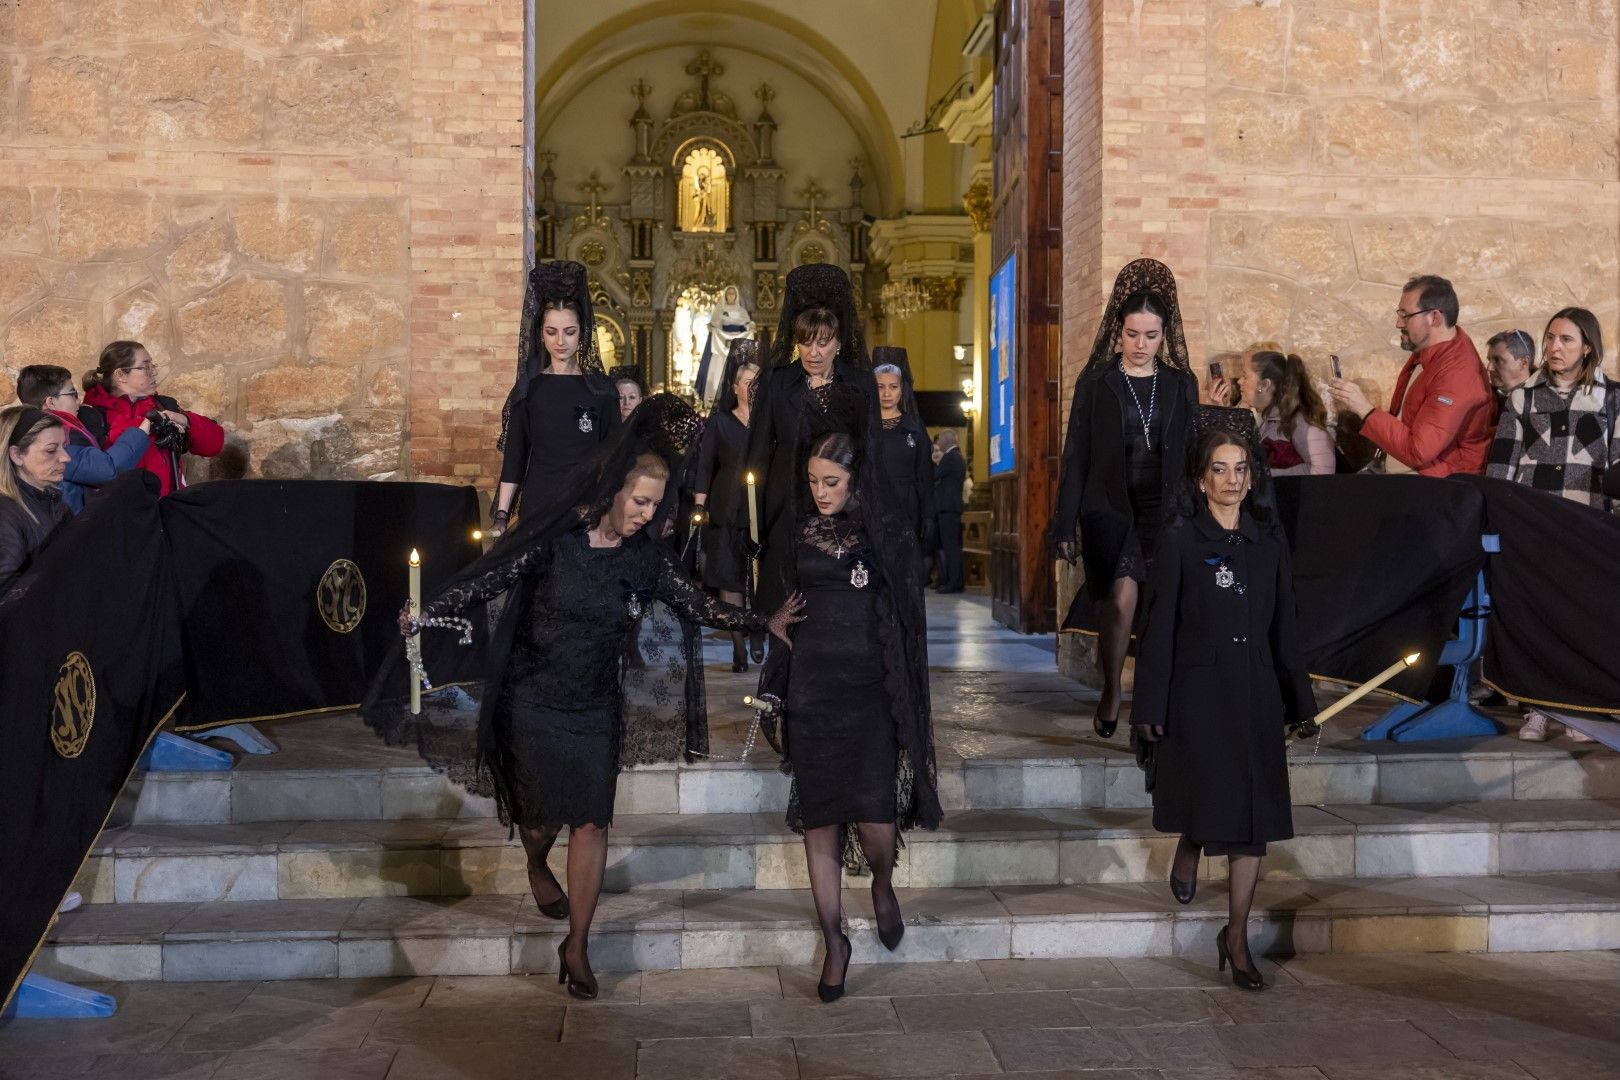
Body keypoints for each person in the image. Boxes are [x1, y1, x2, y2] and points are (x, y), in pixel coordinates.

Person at [366, 394, 802, 1000]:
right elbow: (489, 575)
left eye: (656, 504)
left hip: (595, 705)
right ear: (615, 490)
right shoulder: (559, 537)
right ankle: (536, 859)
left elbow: (700, 606)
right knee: (541, 820)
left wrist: (764, 622)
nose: (649, 514)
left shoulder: (646, 560)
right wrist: (427, 611)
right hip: (534, 698)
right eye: (641, 501)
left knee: (594, 821)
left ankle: (578, 944)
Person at [753, 383, 939, 1002]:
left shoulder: (885, 536)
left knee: (877, 819)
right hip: (813, 694)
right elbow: (783, 622)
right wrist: (773, 692)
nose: (820, 491)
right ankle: (835, 941)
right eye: (813, 480)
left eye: (831, 481)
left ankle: (883, 884)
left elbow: (908, 623)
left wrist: (903, 697)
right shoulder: (796, 537)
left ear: (855, 480)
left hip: (869, 694)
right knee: (820, 824)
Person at [1132, 424, 1318, 992]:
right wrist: (1149, 703)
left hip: (1256, 691)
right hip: (1199, 691)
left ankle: (1235, 936)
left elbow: (1284, 624)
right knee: (1210, 793)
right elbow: (1160, 627)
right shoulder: (1183, 537)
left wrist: (1299, 703)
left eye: (1242, 469)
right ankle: (1190, 841)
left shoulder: (1268, 537)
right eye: (1220, 469)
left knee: (1252, 820)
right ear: (1200, 477)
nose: (1232, 480)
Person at [1052, 258, 1200, 739]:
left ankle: (1155, 698)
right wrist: (1063, 524)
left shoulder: (1181, 385)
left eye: (1151, 336)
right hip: (1111, 508)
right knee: (1121, 598)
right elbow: (1075, 458)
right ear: (1118, 330)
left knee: (1165, 606)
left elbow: (1196, 450)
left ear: (1165, 333)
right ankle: (1113, 687)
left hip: (1169, 508)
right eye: (1132, 334)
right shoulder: (1096, 384)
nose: (1140, 345)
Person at [1486, 308, 1614, 744]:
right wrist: (1495, 519)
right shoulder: (1521, 397)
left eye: (1566, 340)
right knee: (1537, 619)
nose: (1554, 348)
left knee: (1582, 621)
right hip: (1534, 523)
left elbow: (1617, 466)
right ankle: (1537, 710)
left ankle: (1581, 712)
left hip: (1587, 526)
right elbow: (1501, 467)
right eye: (1550, 338)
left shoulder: (1612, 398)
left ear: (1588, 347)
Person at [744, 264, 876, 617]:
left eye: (823, 342)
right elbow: (757, 454)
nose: (813, 352)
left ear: (838, 342)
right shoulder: (776, 383)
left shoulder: (860, 385)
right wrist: (751, 519)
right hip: (786, 506)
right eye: (805, 341)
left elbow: (869, 453)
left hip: (844, 508)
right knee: (789, 604)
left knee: (835, 602)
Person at [491, 260, 620, 536]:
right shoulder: (529, 390)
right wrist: (502, 515)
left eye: (569, 332)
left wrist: (605, 510)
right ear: (540, 333)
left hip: (586, 510)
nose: (560, 341)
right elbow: (515, 458)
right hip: (538, 506)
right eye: (551, 332)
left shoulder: (602, 391)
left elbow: (615, 460)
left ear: (582, 332)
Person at [1326, 275, 1494, 477]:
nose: (1398, 323)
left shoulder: (1458, 375)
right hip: (1402, 474)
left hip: (1439, 489)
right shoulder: (1426, 352)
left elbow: (1419, 450)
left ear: (1434, 317)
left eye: (1406, 316)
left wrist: (1364, 409)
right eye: (1399, 314)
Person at [692, 341, 763, 670]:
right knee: (730, 579)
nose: (752, 388)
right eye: (746, 382)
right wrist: (699, 506)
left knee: (759, 578)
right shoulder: (719, 423)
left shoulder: (768, 424)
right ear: (735, 388)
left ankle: (758, 635)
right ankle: (737, 645)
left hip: (761, 511)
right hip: (726, 509)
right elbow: (705, 465)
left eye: (757, 382)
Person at [80, 341, 224, 496]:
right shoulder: (91, 415)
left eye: (152, 366)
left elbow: (213, 445)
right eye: (145, 367)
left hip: (166, 509)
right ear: (120, 375)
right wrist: (146, 424)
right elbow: (95, 470)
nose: (154, 373)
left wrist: (183, 419)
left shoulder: (163, 405)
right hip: (119, 513)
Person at [15, 364, 151, 514]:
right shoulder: (59, 436)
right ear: (51, 403)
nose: (78, 401)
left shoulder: (31, 431)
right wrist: (143, 429)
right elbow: (107, 470)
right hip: (70, 523)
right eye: (72, 394)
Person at [0, 406, 71, 598]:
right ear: (17, 455)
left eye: (64, 446)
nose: (66, 457)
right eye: (51, 450)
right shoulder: (5, 515)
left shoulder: (53, 499)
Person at [871, 347, 935, 548]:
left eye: (893, 387)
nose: (887, 393)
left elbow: (925, 473)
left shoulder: (914, 426)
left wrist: (928, 515)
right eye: (880, 387)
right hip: (872, 506)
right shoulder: (863, 427)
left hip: (907, 507)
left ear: (902, 389)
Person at [1238, 350, 1334, 476]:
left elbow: (1323, 473)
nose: (1239, 381)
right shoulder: (1269, 420)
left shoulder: (1303, 421)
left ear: (1264, 385)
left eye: (1245, 376)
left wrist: (1262, 475)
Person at [931, 429, 965, 592]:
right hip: (948, 508)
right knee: (949, 546)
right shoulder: (954, 457)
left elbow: (936, 474)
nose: (938, 443)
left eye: (941, 440)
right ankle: (951, 580)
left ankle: (954, 583)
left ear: (948, 441)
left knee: (950, 547)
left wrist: (933, 463)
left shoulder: (951, 457)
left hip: (948, 507)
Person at [1485, 328, 1536, 407]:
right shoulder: (1486, 398)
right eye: (1489, 360)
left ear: (1523, 363)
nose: (1489, 368)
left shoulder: (1543, 403)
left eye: (1497, 360)